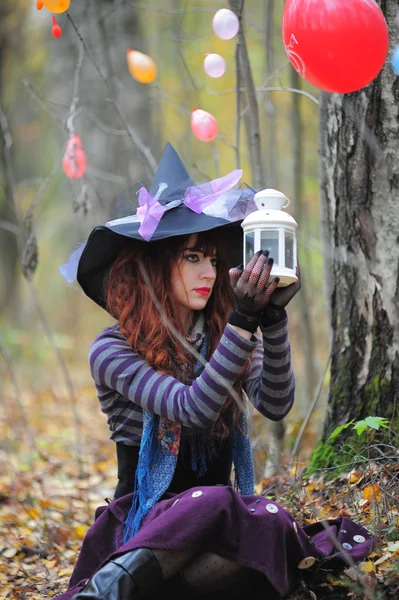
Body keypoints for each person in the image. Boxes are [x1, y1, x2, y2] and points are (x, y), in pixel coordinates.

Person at [57, 144, 373, 600]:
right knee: (222, 503)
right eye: (191, 258)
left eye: (212, 258)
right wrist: (245, 322)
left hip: (216, 525)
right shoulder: (112, 349)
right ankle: (104, 592)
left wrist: (272, 319)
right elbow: (194, 410)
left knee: (270, 523)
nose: (209, 271)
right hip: (144, 523)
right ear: (154, 265)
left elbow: (276, 403)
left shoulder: (227, 331)